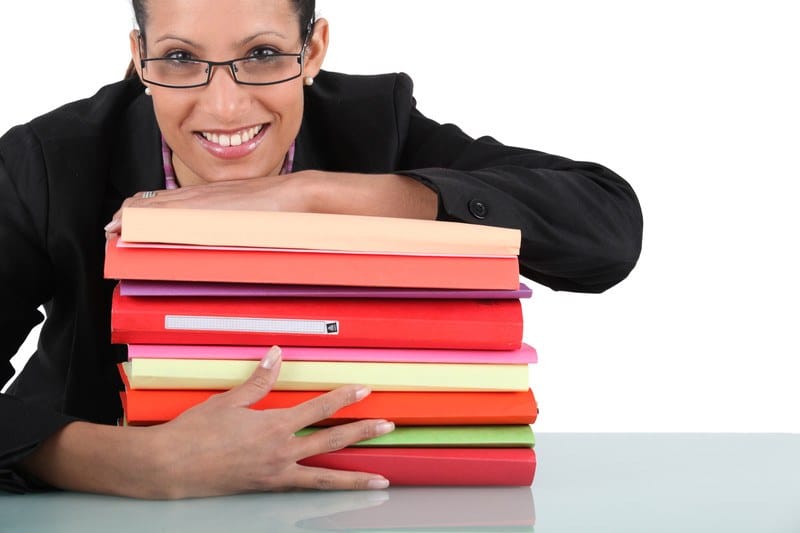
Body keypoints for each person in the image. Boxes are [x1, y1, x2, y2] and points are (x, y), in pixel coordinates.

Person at [0, 0, 642, 498]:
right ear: (140, 57)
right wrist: (139, 466)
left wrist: (313, 195)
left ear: (314, 50)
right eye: (179, 59)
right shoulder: (52, 163)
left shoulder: (372, 124)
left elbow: (606, 228)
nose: (224, 106)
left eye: (261, 54)